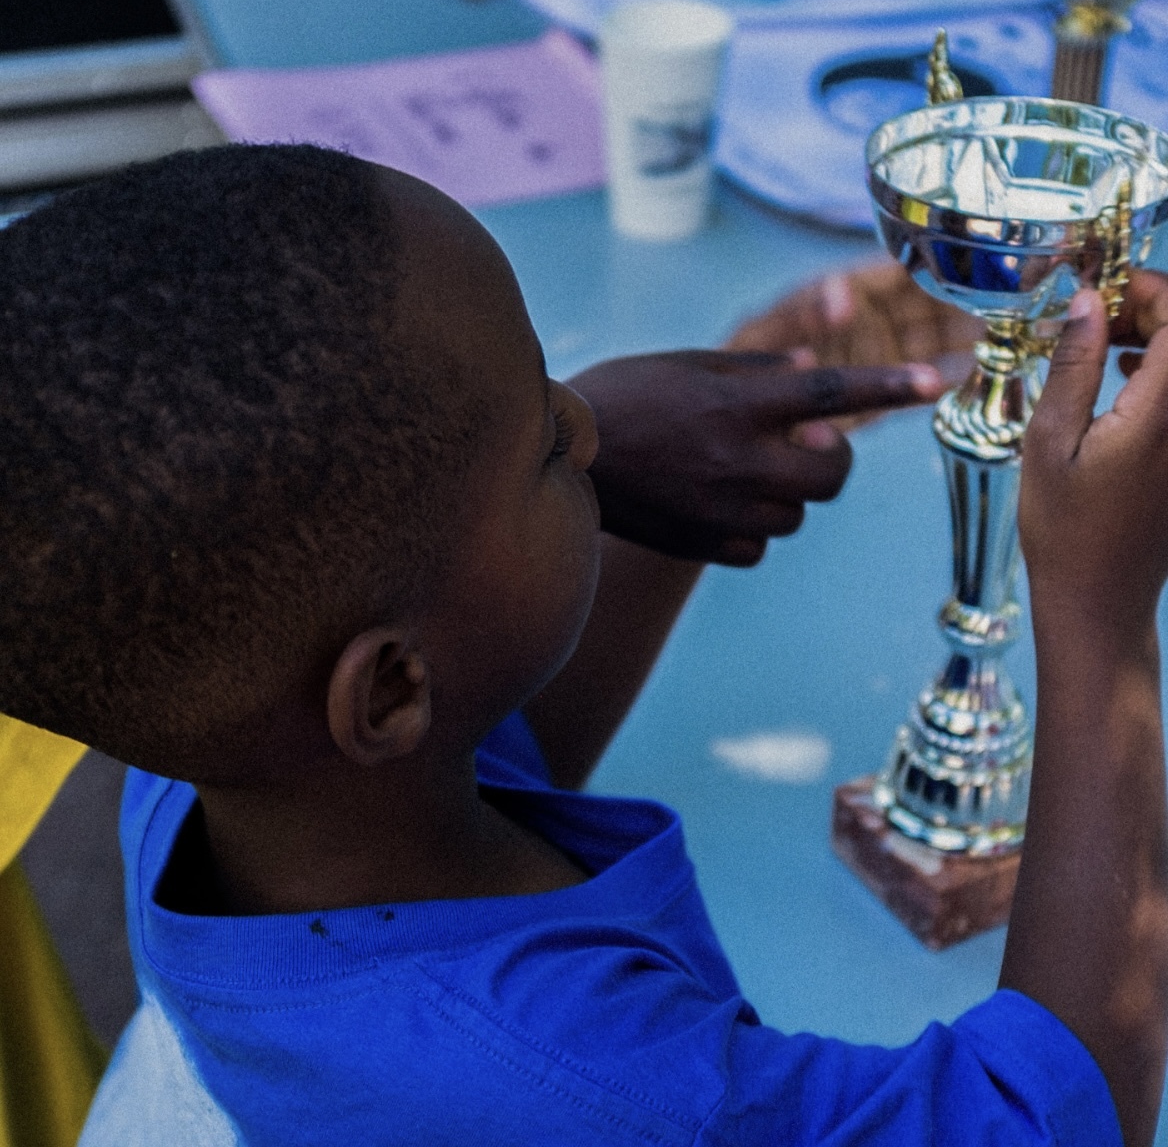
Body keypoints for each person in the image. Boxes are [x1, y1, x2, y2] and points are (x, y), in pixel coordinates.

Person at [0, 142, 1163, 1146]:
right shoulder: (599, 1086)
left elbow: (487, 742)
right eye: (549, 437)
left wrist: (617, 494)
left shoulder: (222, 764)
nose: (592, 418)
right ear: (390, 684)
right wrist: (1098, 611)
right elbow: (1042, 1115)